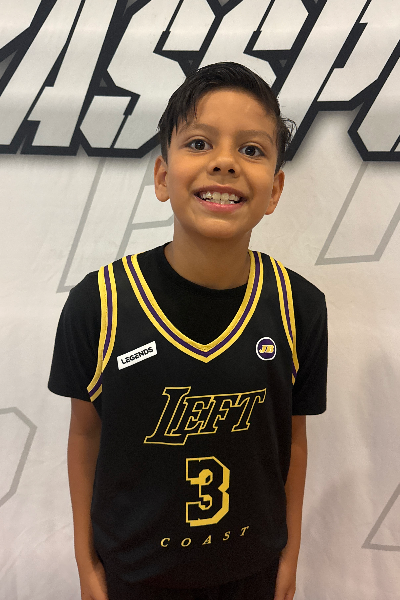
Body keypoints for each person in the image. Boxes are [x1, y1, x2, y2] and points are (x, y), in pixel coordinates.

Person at [49, 62, 327, 600]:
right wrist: (86, 562)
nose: (225, 162)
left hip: (252, 572)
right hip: (134, 575)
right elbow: (85, 435)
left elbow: (292, 440)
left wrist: (289, 555)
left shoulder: (300, 307)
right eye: (199, 143)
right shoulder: (99, 303)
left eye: (252, 149)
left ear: (274, 190)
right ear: (162, 176)